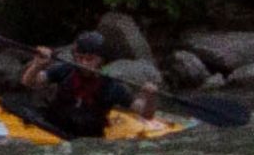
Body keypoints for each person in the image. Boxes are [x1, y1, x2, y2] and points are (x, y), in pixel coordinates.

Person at [14, 32, 153, 140]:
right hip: (50, 126)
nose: (84, 63)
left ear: (102, 60)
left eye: (90, 59)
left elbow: (146, 114)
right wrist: (37, 64)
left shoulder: (112, 87)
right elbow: (28, 82)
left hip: (86, 138)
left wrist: (149, 96)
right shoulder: (65, 70)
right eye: (80, 58)